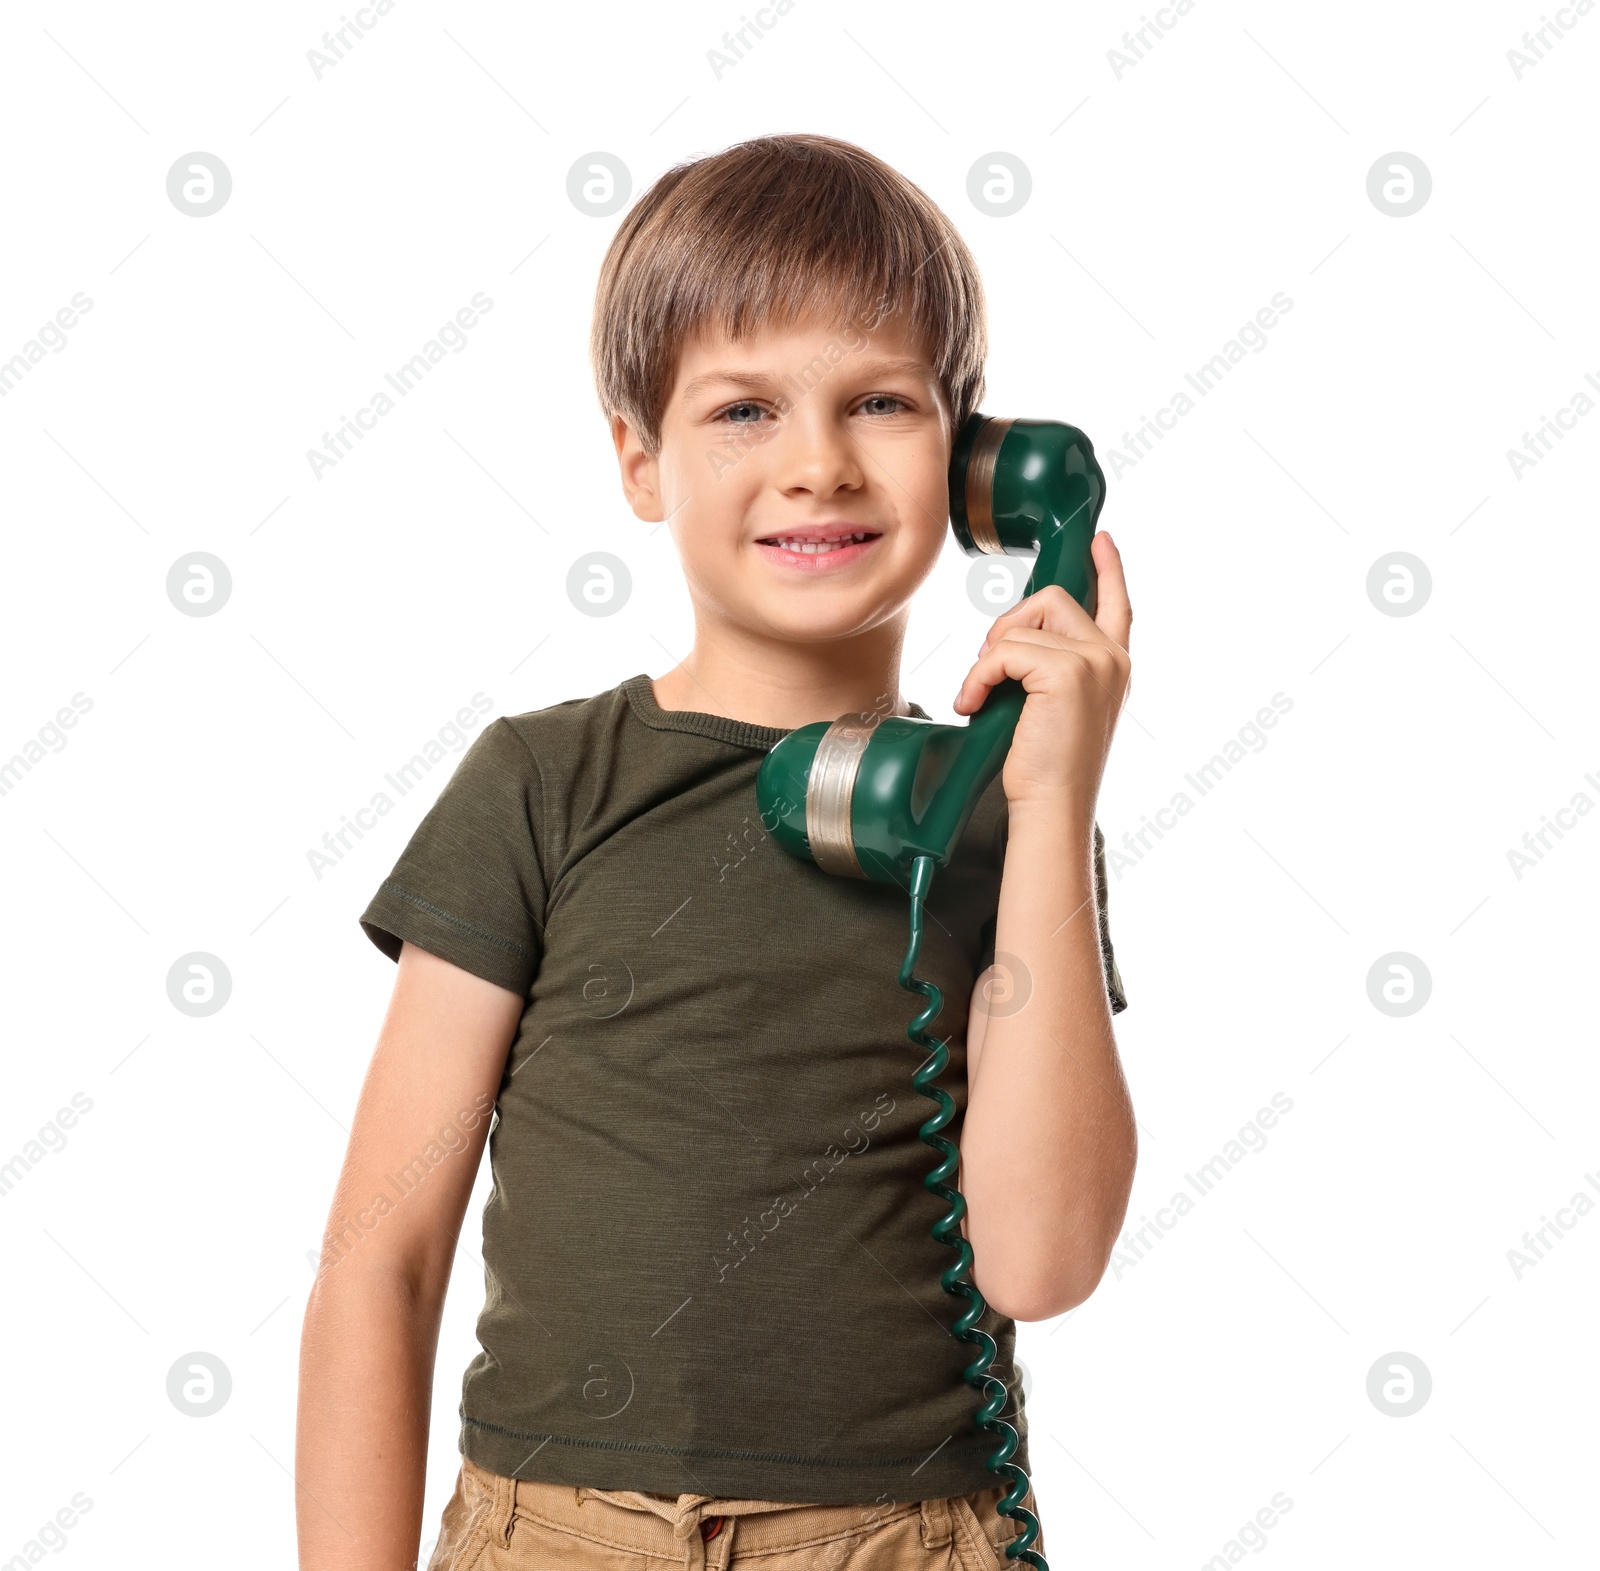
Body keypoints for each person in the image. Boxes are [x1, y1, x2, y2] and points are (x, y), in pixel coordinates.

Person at [296, 131, 1136, 1571]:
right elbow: (384, 1257)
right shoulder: (543, 784)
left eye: (881, 402)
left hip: (900, 1536)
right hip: (552, 1536)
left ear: (982, 465)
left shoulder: (1004, 819)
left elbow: (1041, 1262)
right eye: (744, 410)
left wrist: (1054, 801)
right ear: (640, 461)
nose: (818, 463)